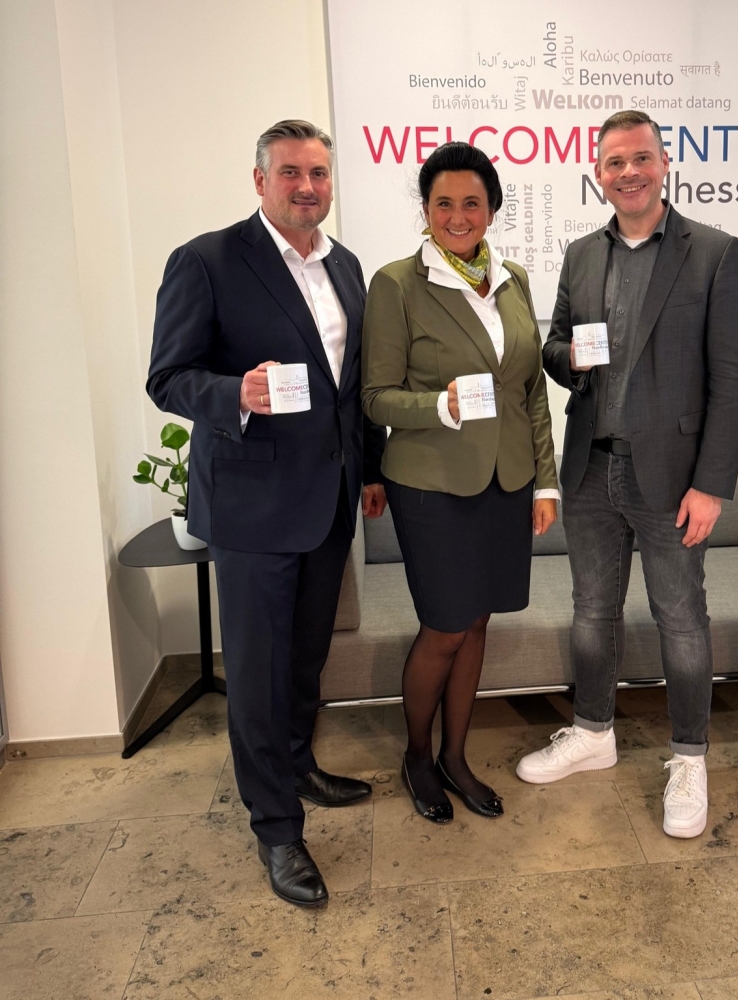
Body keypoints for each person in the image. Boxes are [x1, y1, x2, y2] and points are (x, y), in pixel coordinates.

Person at [147, 120, 387, 907]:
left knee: (304, 657)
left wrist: (370, 470)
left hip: (328, 503)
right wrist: (234, 394)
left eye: (318, 173)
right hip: (252, 510)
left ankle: (298, 766)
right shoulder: (208, 261)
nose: (307, 187)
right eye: (290, 173)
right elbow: (168, 376)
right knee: (256, 673)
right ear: (260, 180)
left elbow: (352, 389)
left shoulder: (345, 265)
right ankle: (277, 829)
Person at [516, 111, 738, 839]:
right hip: (592, 466)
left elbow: (733, 380)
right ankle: (593, 731)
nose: (629, 173)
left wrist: (712, 485)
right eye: (615, 162)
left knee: (681, 618)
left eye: (641, 158)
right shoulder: (582, 254)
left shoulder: (714, 252)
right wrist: (566, 358)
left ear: (664, 163)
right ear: (598, 173)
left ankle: (689, 757)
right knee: (593, 610)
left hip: (675, 477)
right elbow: (554, 345)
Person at [362, 142, 559, 824]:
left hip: (507, 480)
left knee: (478, 622)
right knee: (444, 625)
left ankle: (456, 756)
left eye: (471, 203)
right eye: (443, 203)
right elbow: (375, 397)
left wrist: (545, 483)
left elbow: (530, 392)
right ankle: (418, 756)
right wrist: (438, 406)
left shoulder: (513, 279)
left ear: (492, 210)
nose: (457, 215)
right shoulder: (396, 284)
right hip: (432, 485)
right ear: (425, 210)